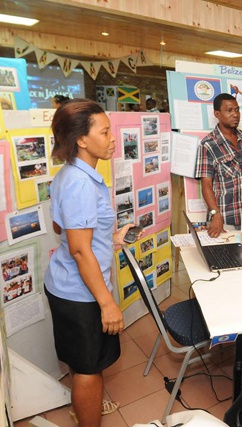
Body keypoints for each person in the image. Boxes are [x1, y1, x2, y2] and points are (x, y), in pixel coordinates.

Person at [44, 99, 140, 426]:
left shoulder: (68, 174)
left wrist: (110, 238)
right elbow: (80, 251)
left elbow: (63, 229)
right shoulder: (81, 183)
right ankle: (87, 415)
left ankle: (81, 406)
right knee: (89, 368)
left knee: (80, 362)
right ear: (82, 140)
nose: (113, 138)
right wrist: (107, 303)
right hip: (80, 294)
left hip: (68, 286)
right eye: (105, 131)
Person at [195, 93, 242, 237]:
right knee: (225, 258)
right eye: (229, 110)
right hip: (224, 219)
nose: (235, 114)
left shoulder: (241, 136)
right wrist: (215, 214)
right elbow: (206, 185)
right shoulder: (208, 145)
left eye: (237, 110)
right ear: (217, 114)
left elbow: (240, 166)